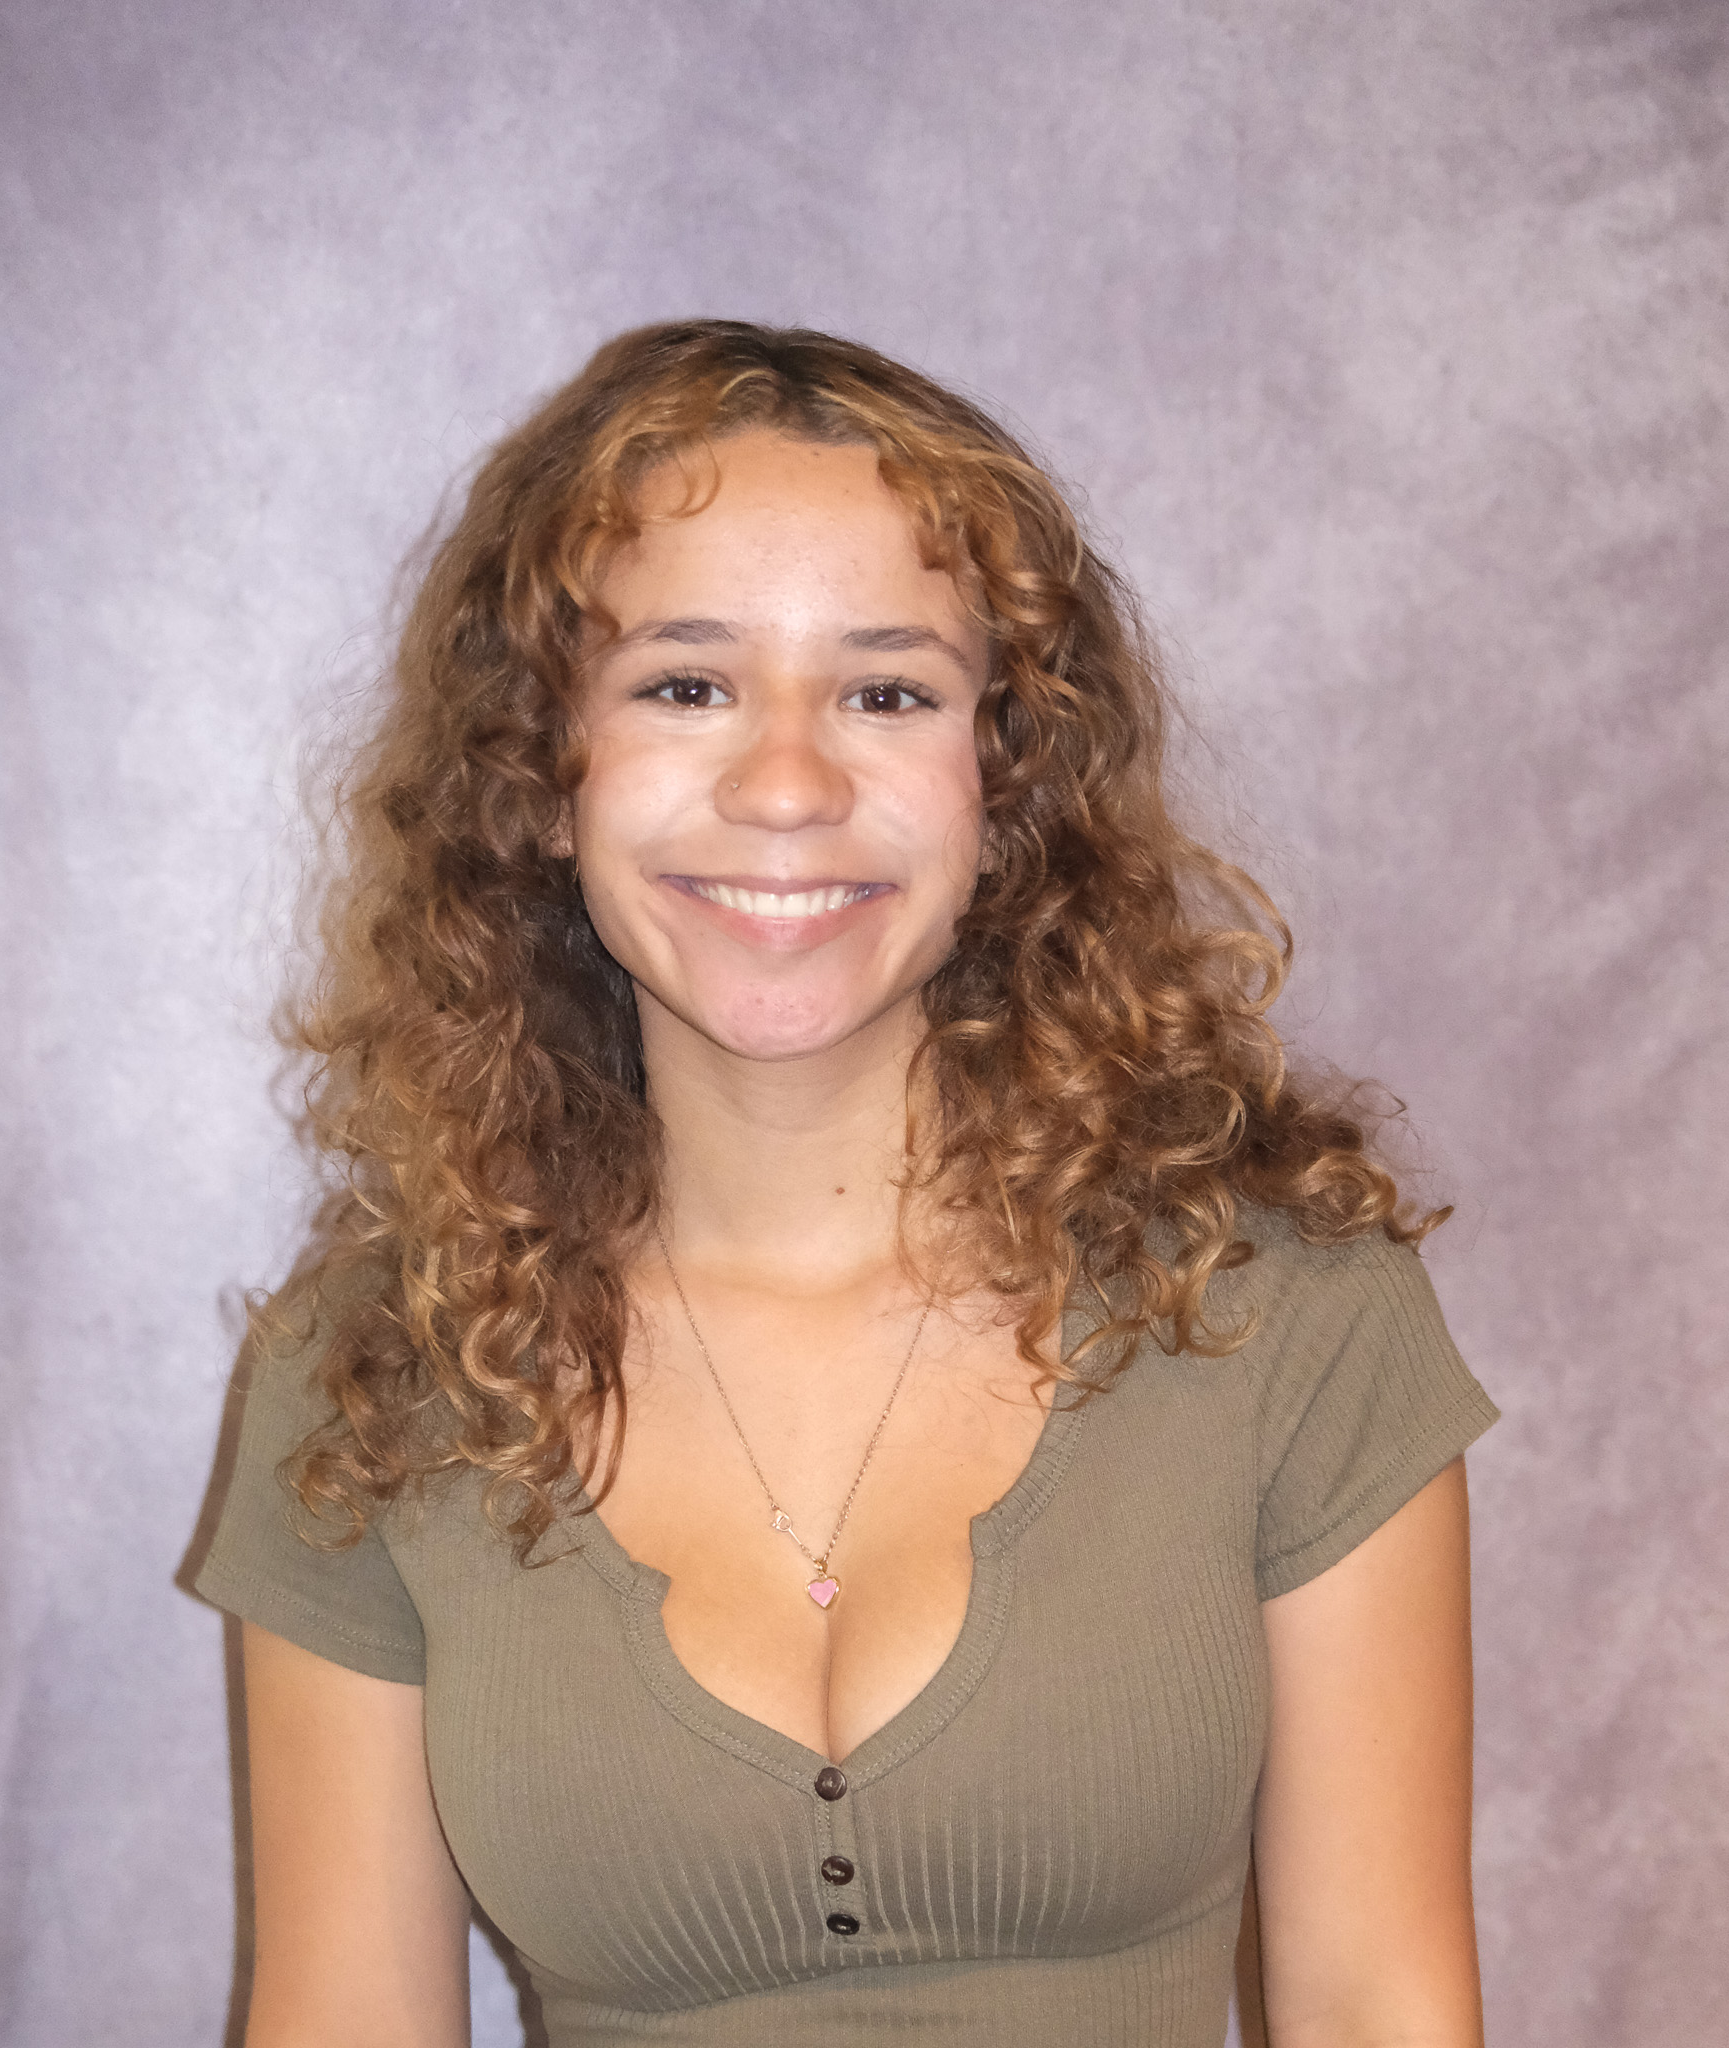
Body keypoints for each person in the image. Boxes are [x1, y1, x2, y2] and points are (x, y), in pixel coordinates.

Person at [195, 319, 1498, 2048]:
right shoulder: (376, 1374)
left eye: (888, 690)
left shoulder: (1281, 1307)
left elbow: (1375, 2004)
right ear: (543, 775)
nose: (789, 782)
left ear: (1005, 783)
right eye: (685, 682)